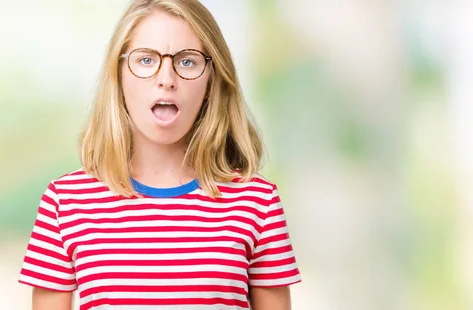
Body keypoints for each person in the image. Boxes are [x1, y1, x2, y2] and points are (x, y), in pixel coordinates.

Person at [17, 0, 301, 309]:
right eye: (146, 60)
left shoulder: (258, 202)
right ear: (119, 75)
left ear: (210, 81)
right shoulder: (65, 202)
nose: (166, 79)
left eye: (187, 62)